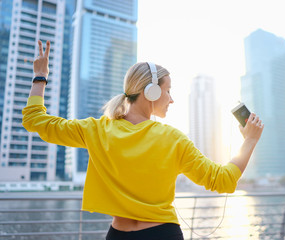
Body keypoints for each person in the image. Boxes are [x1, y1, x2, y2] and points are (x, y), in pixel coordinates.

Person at [22, 40, 264, 240]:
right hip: (163, 234)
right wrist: (249, 140)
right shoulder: (173, 139)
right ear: (152, 92)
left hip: (117, 235)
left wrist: (40, 76)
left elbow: (34, 120)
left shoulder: (96, 130)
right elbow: (223, 181)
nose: (171, 99)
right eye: (168, 91)